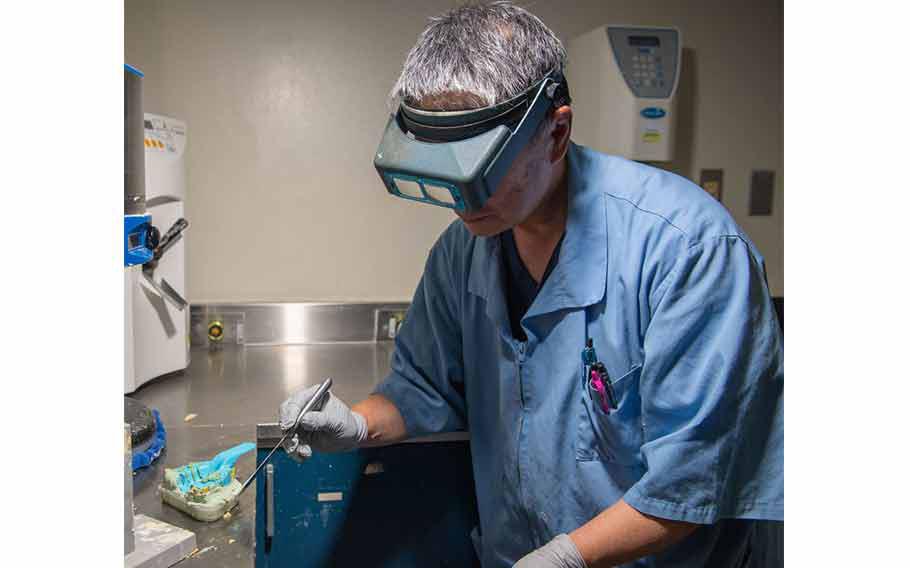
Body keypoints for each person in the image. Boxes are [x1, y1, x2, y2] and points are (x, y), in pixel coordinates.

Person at [279, 2, 783, 567]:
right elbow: (425, 390)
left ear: (557, 132)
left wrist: (567, 558)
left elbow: (693, 480)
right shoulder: (464, 250)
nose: (460, 201)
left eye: (478, 171)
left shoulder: (689, 251)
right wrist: (356, 422)